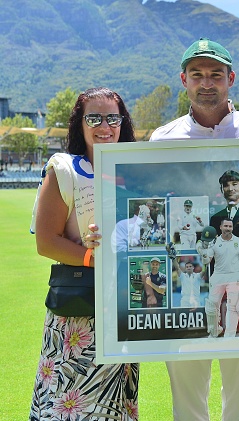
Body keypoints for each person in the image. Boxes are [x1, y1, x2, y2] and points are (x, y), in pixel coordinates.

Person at [149, 37, 239, 421]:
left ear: (230, 78)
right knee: (187, 397)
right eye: (197, 75)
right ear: (184, 80)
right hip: (193, 284)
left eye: (216, 75)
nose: (207, 83)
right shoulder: (162, 138)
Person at [29, 87, 139, 420]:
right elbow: (46, 242)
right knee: (70, 403)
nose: (104, 126)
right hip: (79, 311)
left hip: (122, 305)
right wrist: (92, 256)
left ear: (122, 122)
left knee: (112, 404)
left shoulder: (133, 172)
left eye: (112, 118)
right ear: (80, 123)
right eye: (94, 118)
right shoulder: (64, 169)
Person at [199, 219, 239, 338]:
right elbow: (207, 260)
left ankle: (230, 335)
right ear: (220, 227)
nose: (228, 228)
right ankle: (215, 331)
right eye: (225, 226)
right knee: (212, 306)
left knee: (233, 306)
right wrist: (203, 253)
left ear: (232, 228)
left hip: (234, 276)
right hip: (218, 276)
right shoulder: (213, 242)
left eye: (230, 226)